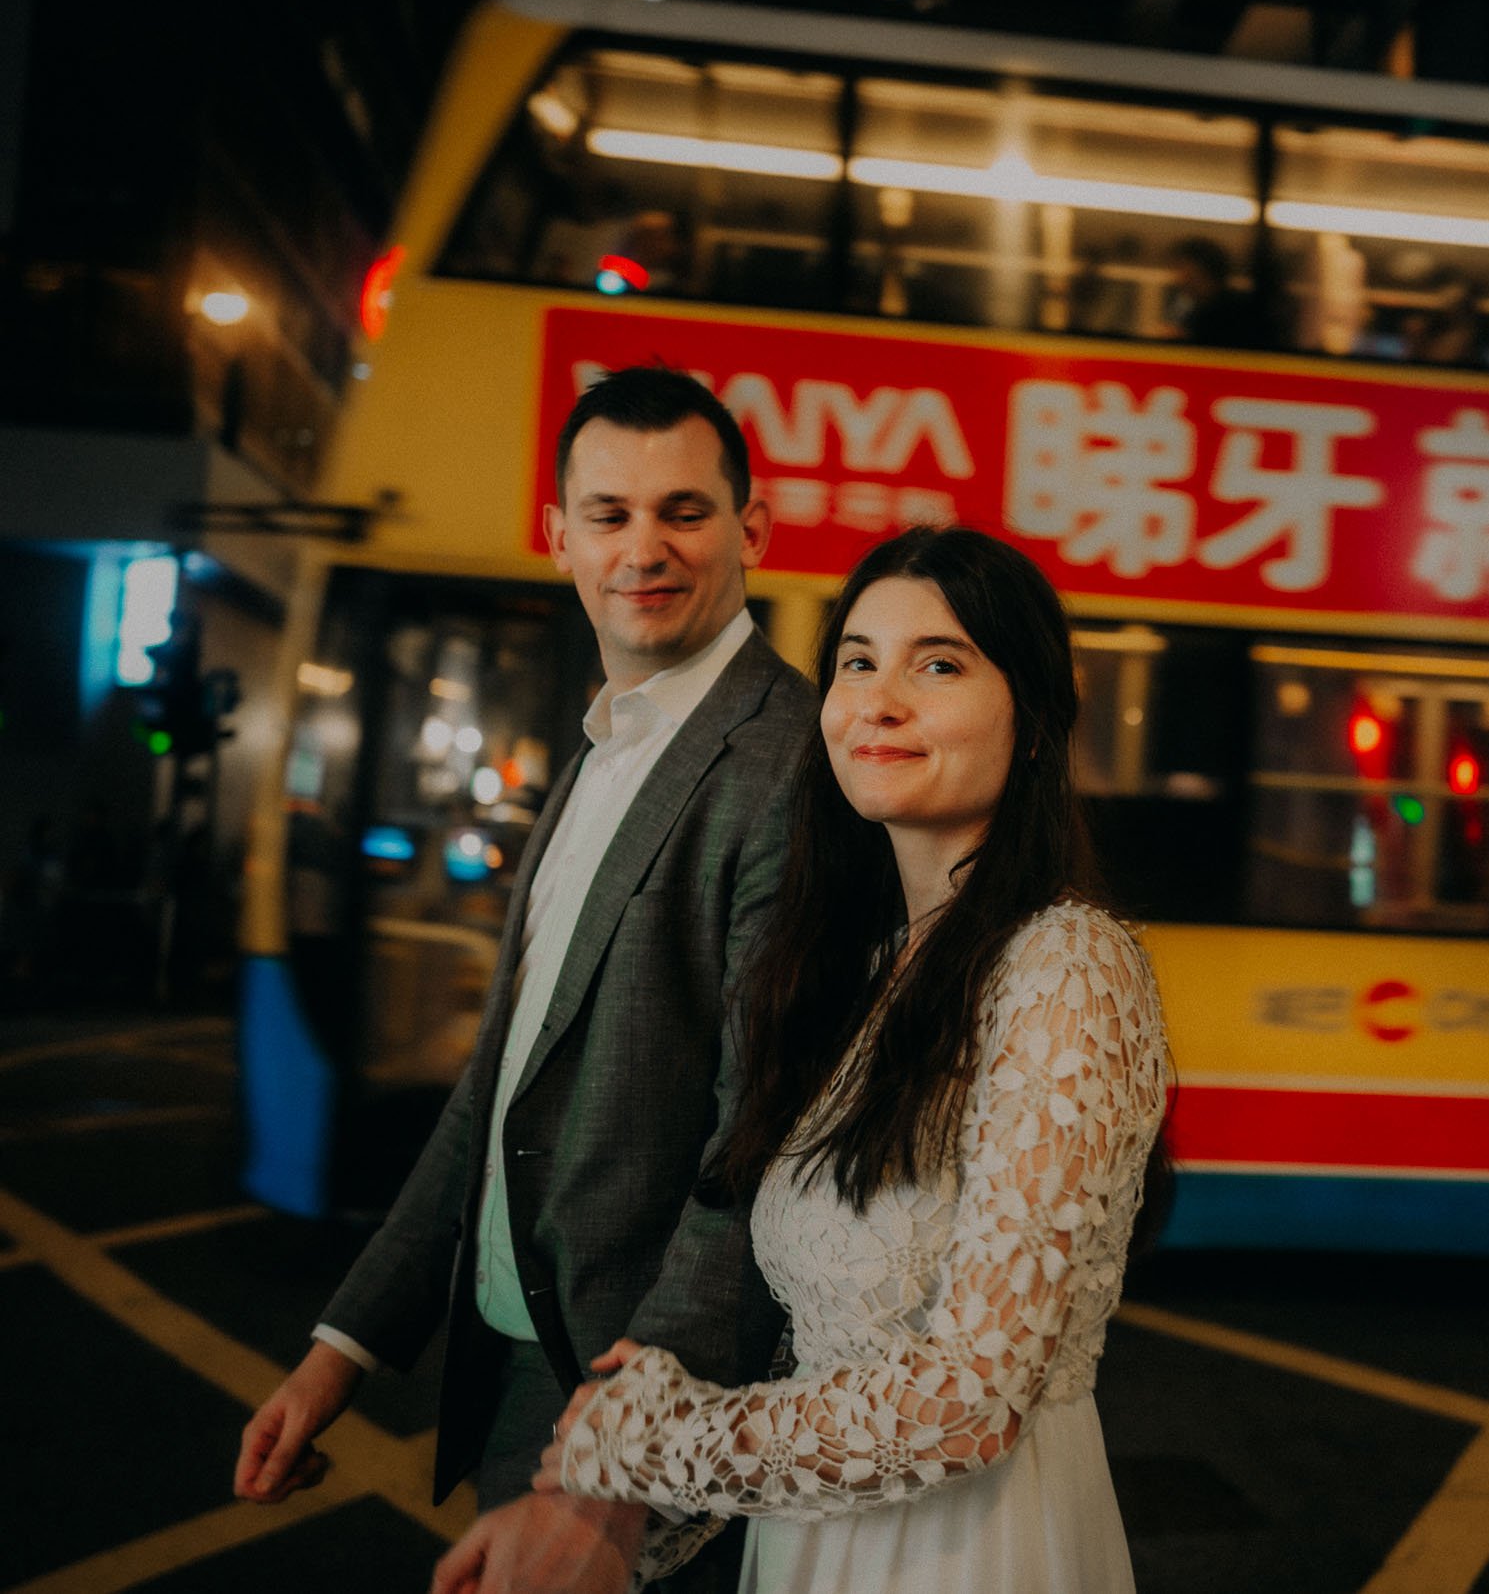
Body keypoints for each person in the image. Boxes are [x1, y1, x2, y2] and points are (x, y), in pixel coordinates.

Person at [493, 526, 1172, 1594]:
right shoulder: (868, 969)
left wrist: (655, 1444)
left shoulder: (1065, 964)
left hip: (967, 1553)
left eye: (937, 665)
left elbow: (974, 1399)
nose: (878, 702)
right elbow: (829, 1338)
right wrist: (621, 1507)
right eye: (857, 661)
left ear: (1035, 723)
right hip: (821, 1537)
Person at [236, 366, 817, 1590]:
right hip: (515, 1368)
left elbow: (759, 1150)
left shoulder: (791, 768)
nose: (643, 548)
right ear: (558, 537)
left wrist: (606, 1480)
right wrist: (342, 1349)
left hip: (636, 1408)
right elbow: (495, 1091)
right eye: (609, 514)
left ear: (753, 530)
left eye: (685, 511)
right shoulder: (600, 748)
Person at [1164, 235, 1267, 350]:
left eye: (1182, 269)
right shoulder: (1195, 309)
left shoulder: (1233, 312)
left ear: (1200, 272)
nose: (1178, 279)